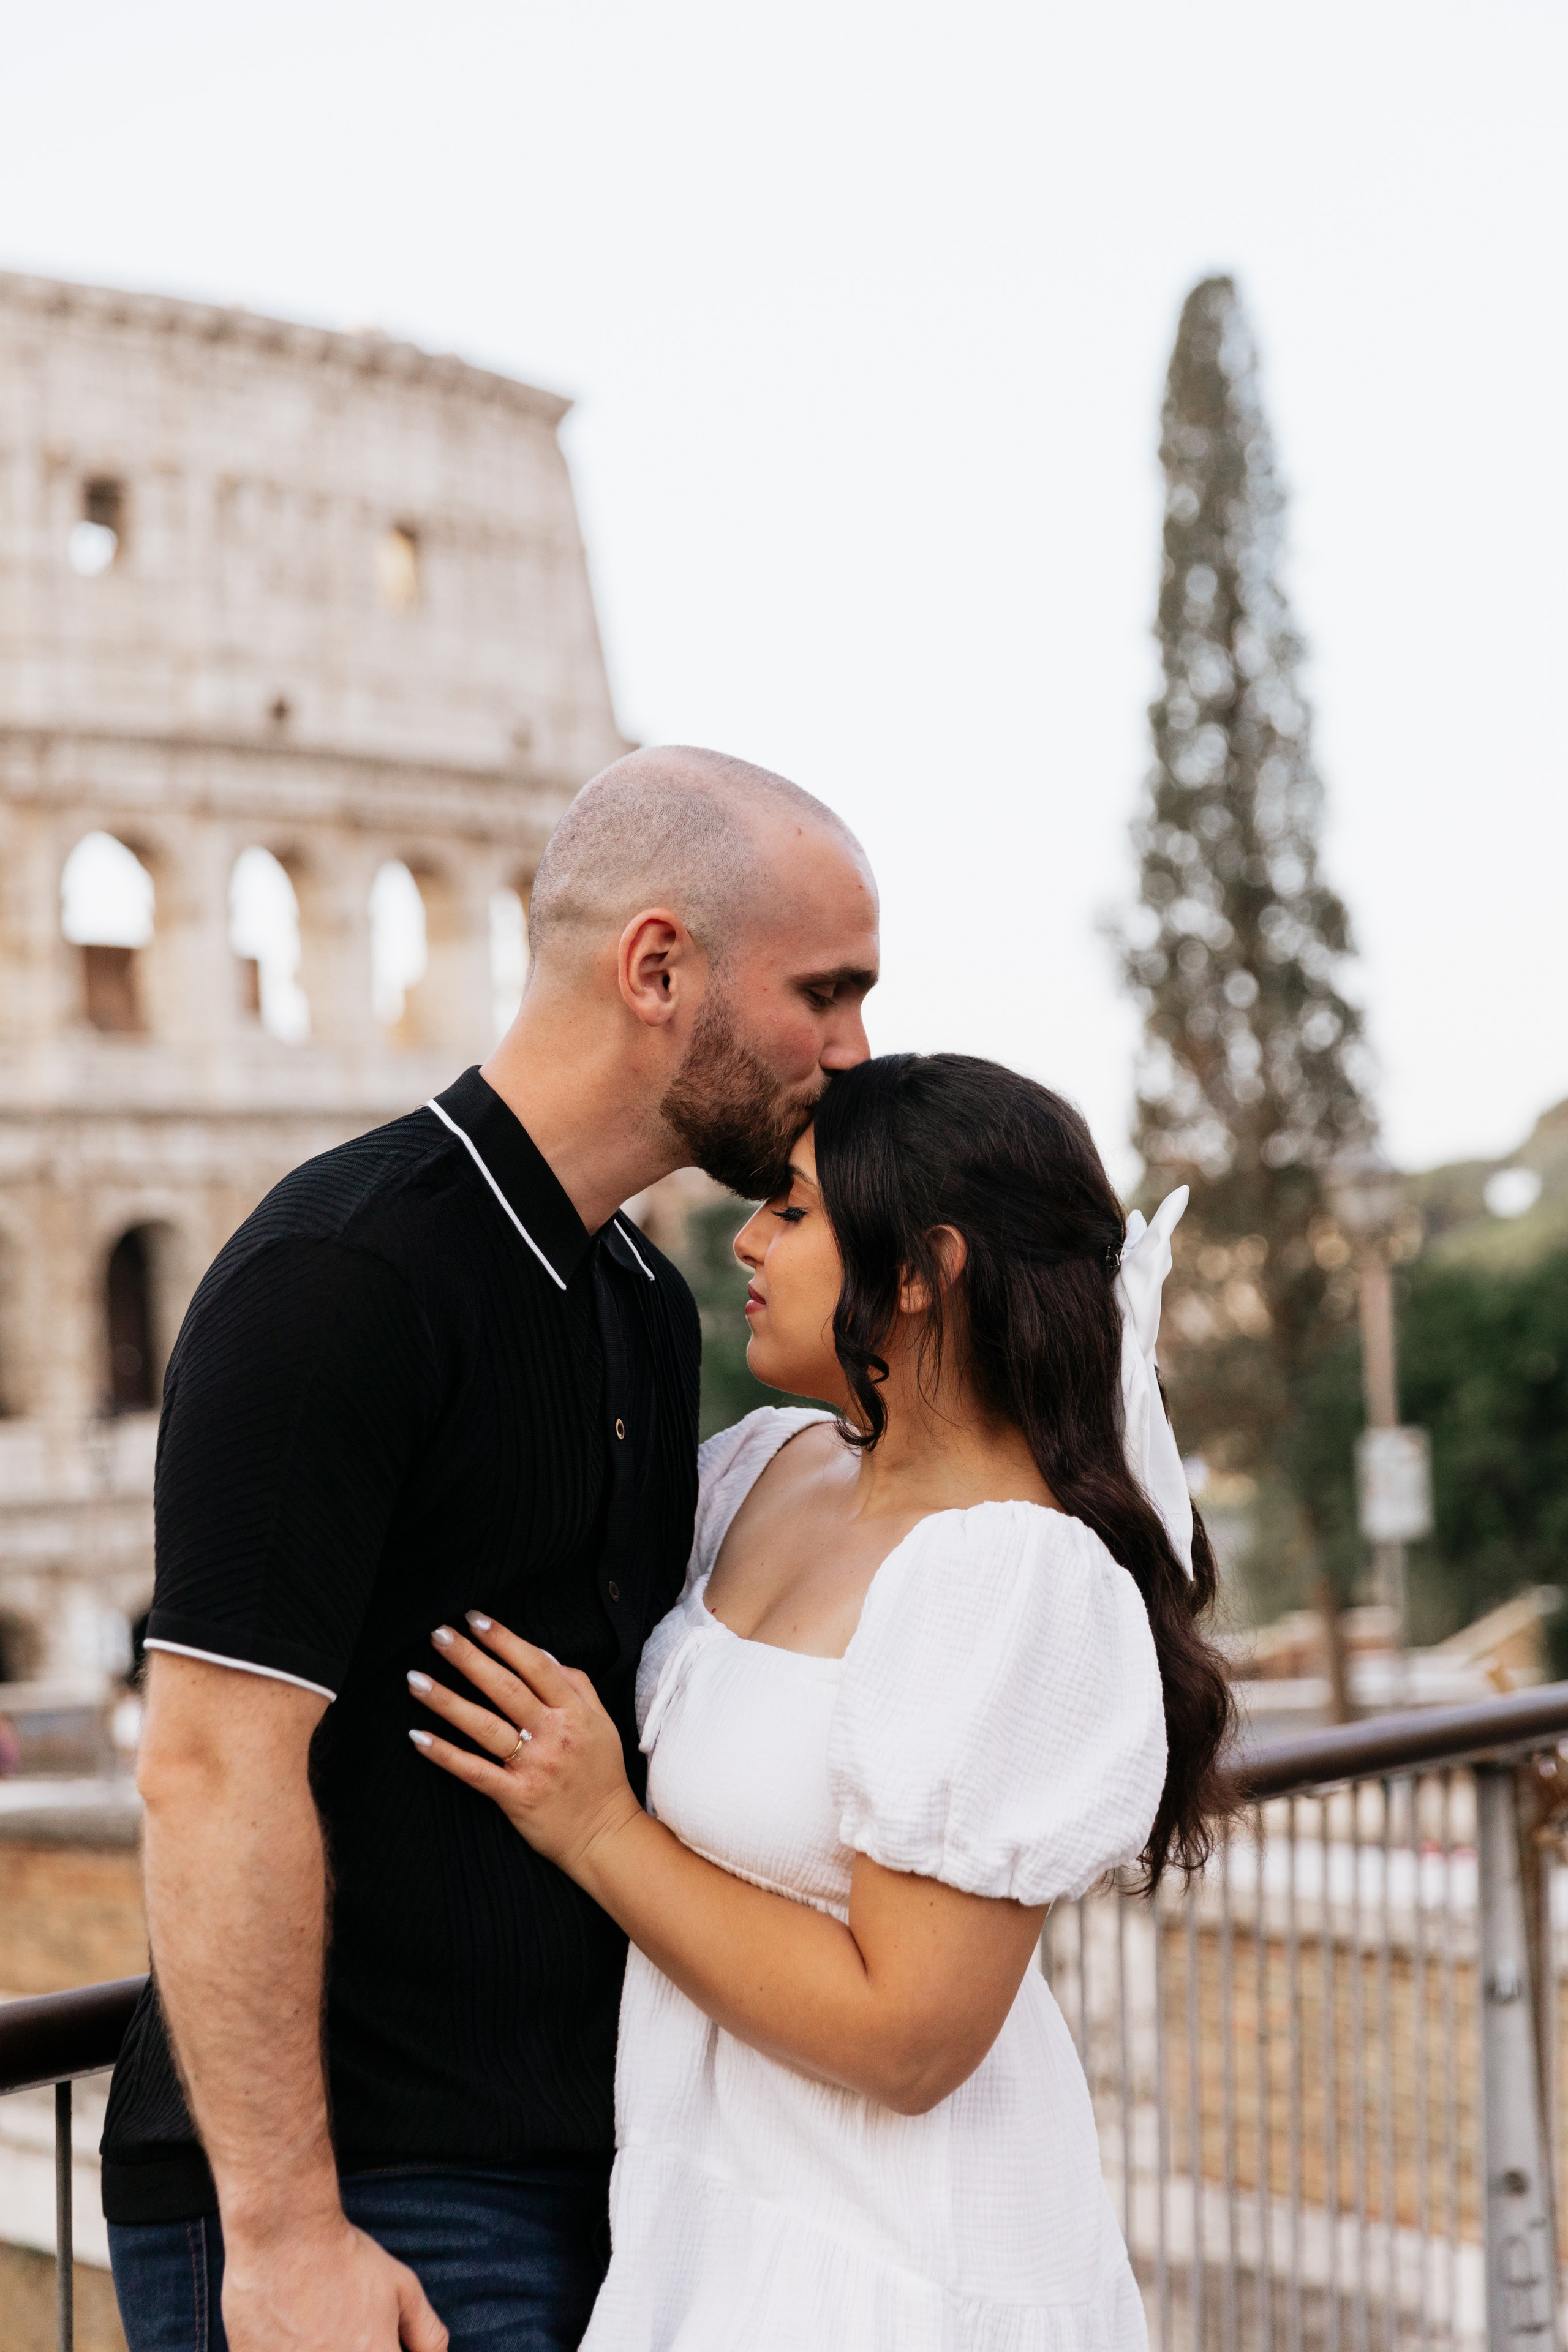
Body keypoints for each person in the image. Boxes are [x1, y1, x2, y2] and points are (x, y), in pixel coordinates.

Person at [103, 746, 880, 2352]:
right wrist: (285, 2231)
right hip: (363, 2196)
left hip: (598, 2164)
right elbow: (207, 1767)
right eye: (828, 992)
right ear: (659, 965)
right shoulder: (343, 1274)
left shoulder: (646, 1308)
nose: (856, 1055)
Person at [409, 1052, 1234, 2351]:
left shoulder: (1005, 1573)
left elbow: (911, 2039)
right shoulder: (762, 1471)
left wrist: (600, 1828)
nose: (744, 1240)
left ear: (919, 1269)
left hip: (893, 2261)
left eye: (790, 1211)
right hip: (711, 2217)